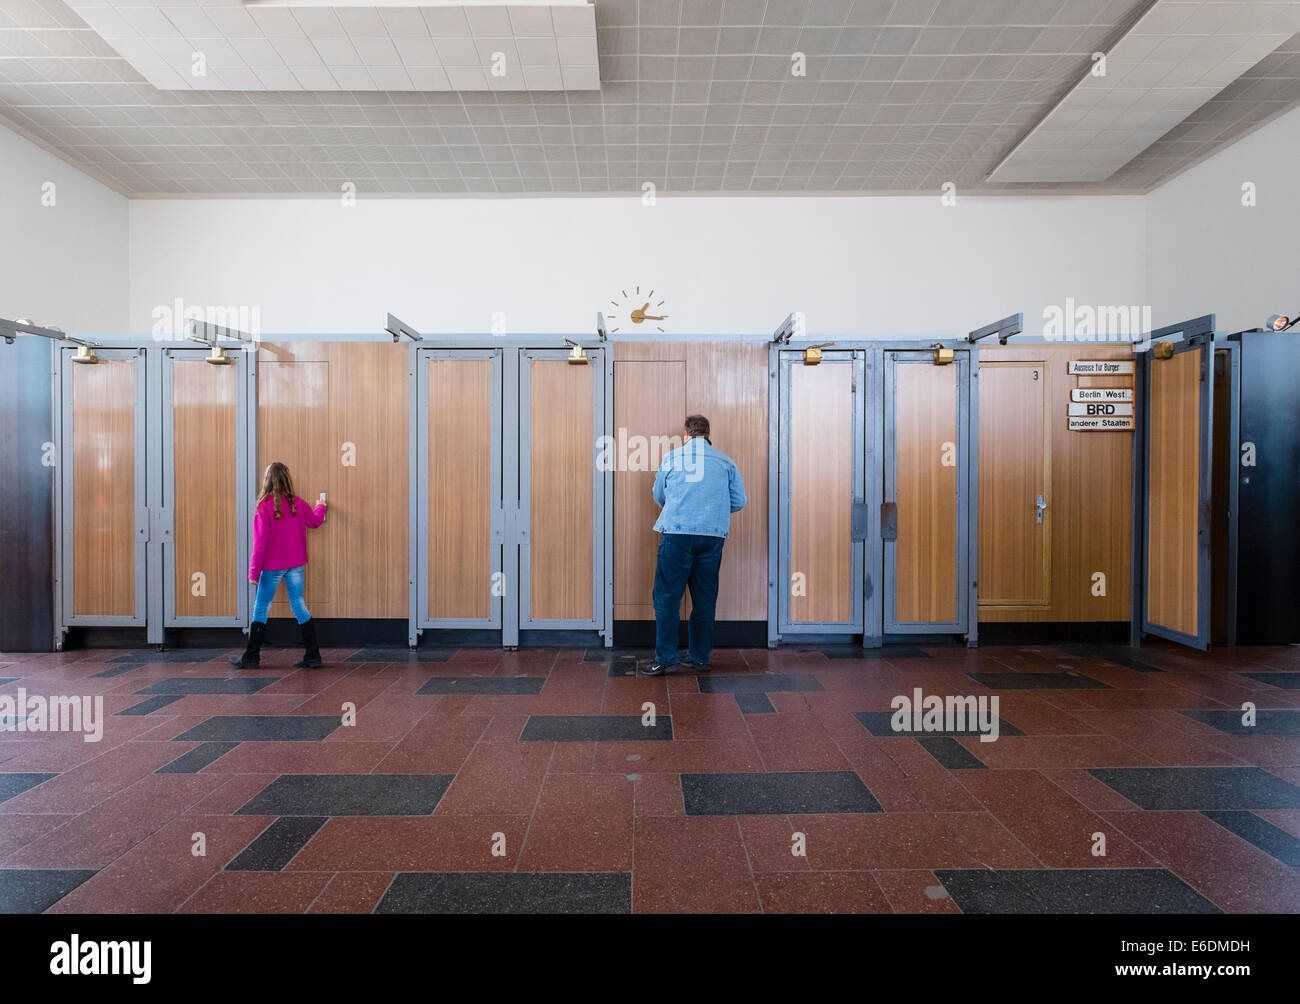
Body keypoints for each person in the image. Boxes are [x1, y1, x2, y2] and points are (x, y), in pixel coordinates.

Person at [642, 415, 746, 676]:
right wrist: (712, 511)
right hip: (712, 536)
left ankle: (665, 658)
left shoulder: (673, 458)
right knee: (705, 598)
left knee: (667, 597)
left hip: (677, 533)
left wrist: (683, 507)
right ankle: (700, 658)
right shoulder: (726, 462)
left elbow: (659, 495)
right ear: (708, 435)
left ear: (686, 434)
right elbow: (739, 501)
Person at [230, 462, 327, 669]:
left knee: (261, 607)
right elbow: (315, 522)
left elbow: (260, 543)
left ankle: (252, 656)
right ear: (287, 480)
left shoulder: (263, 508)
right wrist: (321, 506)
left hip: (272, 567)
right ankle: (313, 654)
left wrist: (253, 571)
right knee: (299, 605)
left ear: (267, 481)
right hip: (296, 564)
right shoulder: (298, 504)